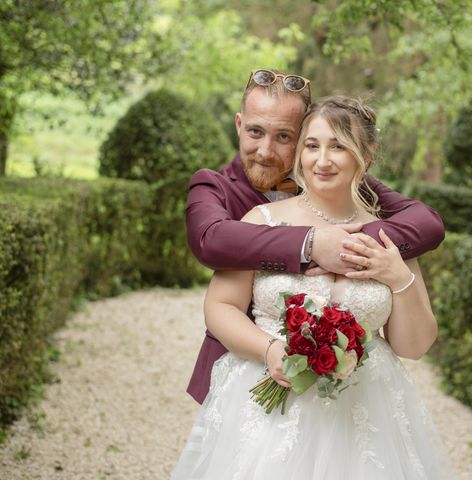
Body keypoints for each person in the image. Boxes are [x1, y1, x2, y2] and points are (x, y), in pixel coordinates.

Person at [171, 96, 456, 479]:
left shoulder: (388, 236)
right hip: (269, 399)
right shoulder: (262, 219)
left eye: (338, 146)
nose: (322, 161)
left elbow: (413, 346)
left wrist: (397, 277)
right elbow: (220, 307)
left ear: (366, 154)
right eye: (312, 145)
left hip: (365, 410)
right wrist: (270, 349)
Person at [185, 69, 445, 404]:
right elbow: (211, 240)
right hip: (250, 378)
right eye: (255, 132)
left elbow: (427, 223)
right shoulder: (215, 187)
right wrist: (312, 245)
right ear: (239, 125)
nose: (265, 151)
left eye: (283, 137)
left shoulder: (361, 197)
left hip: (362, 400)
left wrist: (374, 256)